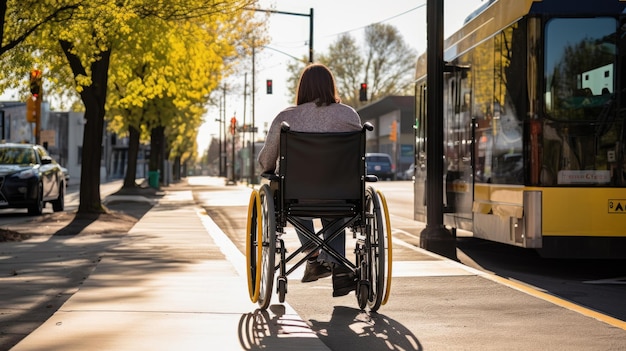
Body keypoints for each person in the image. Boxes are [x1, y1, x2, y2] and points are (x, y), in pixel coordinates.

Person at [257, 63, 362, 297]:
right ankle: (339, 267)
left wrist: (267, 169)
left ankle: (313, 252)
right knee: (334, 207)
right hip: (342, 194)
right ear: (331, 86)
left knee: (288, 197)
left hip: (298, 196)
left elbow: (267, 162)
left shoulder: (286, 118)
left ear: (302, 88)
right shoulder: (348, 115)